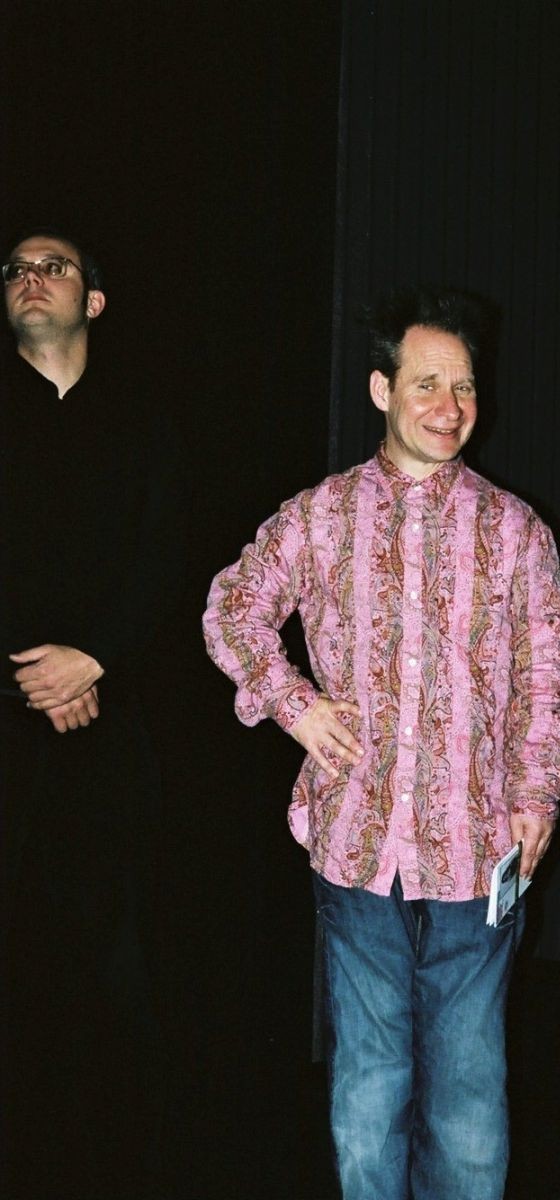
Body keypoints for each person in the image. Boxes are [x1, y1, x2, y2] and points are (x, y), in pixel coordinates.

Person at [203, 286, 560, 1200]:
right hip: (356, 843)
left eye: (465, 386)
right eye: (427, 384)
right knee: (367, 1098)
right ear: (381, 390)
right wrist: (295, 706)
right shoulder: (321, 516)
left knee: (470, 1111)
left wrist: (537, 796)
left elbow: (548, 676)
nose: (450, 407)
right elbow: (232, 610)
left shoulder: (516, 531)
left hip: (477, 851)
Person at [0, 226, 183, 1199]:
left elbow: (168, 554)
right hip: (6, 722)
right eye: (16, 270)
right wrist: (34, 676)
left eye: (54, 266)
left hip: (107, 733)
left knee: (110, 980)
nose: (31, 279)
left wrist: (94, 660)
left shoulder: (143, 422)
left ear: (94, 301)